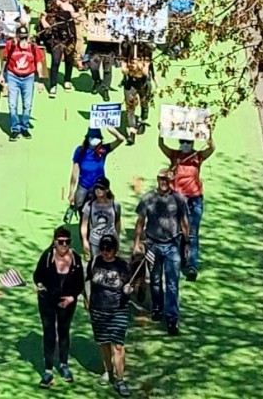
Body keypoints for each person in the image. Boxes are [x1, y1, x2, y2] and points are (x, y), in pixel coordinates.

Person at [132, 167, 189, 334]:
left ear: (171, 181)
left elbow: (184, 222)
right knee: (155, 280)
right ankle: (157, 307)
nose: (164, 182)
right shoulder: (148, 198)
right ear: (157, 179)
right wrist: (137, 243)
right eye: (161, 179)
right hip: (152, 245)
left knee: (172, 283)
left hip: (173, 245)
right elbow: (140, 222)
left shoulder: (178, 199)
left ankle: (172, 318)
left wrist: (186, 243)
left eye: (167, 180)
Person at [159, 126, 214, 277]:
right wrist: (161, 132)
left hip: (195, 198)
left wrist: (209, 136)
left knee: (192, 232)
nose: (184, 144)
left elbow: (211, 148)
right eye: (182, 141)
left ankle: (191, 264)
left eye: (187, 142)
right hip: (177, 198)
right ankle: (177, 260)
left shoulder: (198, 156)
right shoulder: (174, 155)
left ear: (192, 142)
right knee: (176, 230)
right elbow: (161, 145)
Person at [33, 224, 84, 386]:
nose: (64, 245)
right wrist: (40, 285)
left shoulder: (76, 259)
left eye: (67, 242)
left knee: (64, 331)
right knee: (49, 332)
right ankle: (48, 371)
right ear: (54, 241)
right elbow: (37, 276)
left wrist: (72, 297)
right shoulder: (47, 256)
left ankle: (63, 365)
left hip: (67, 301)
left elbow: (80, 283)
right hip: (47, 299)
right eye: (61, 241)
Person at [85, 233, 135, 395]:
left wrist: (129, 290)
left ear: (115, 250)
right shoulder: (94, 262)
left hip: (118, 310)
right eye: (103, 248)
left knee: (118, 346)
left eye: (109, 249)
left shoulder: (122, 266)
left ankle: (120, 380)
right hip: (98, 309)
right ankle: (108, 370)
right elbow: (86, 280)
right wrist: (86, 298)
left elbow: (131, 285)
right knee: (103, 343)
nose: (105, 252)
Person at [1, 26, 42, 139]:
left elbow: (38, 63)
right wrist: (2, 74)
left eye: (25, 38)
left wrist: (40, 80)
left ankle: (24, 127)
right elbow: (5, 59)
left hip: (28, 77)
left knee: (27, 104)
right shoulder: (11, 45)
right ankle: (15, 128)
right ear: (17, 37)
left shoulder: (32, 46)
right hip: (13, 76)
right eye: (21, 38)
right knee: (12, 103)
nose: (23, 40)